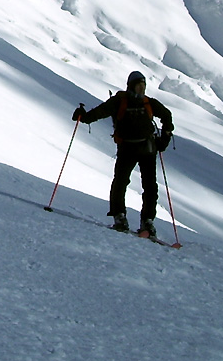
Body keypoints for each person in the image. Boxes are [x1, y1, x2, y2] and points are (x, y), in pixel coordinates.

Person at [73, 70, 174, 236]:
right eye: (139, 85)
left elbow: (167, 116)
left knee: (132, 184)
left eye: (143, 86)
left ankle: (127, 218)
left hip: (134, 148)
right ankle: (141, 221)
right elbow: (101, 111)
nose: (141, 89)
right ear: (132, 86)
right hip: (144, 148)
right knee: (136, 184)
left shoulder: (127, 102)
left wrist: (83, 117)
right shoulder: (132, 102)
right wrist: (164, 139)